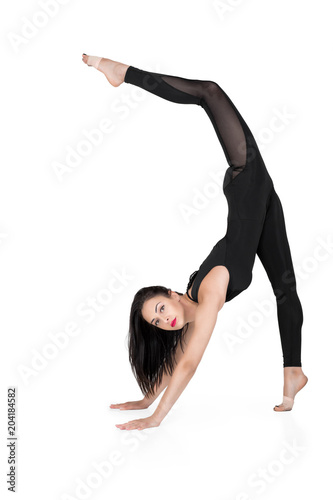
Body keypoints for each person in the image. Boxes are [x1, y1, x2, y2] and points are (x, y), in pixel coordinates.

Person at [82, 54, 308, 430]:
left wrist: (154, 412)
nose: (164, 319)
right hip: (257, 197)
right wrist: (148, 399)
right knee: (286, 289)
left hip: (245, 181)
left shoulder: (202, 291)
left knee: (209, 93)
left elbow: (185, 361)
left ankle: (124, 74)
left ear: (171, 293)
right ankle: (293, 374)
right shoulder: (206, 299)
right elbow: (184, 360)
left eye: (159, 308)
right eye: (158, 322)